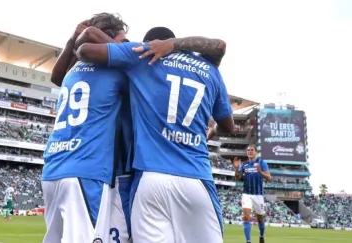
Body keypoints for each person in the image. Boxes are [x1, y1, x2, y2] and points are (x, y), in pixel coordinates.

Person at [76, 35, 234, 242]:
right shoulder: (210, 69)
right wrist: (209, 133)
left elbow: (85, 51)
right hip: (196, 178)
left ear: (152, 43)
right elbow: (229, 126)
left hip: (150, 178)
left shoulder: (142, 57)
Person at [42, 13, 129, 243]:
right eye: (121, 41)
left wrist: (73, 39)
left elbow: (55, 77)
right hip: (85, 172)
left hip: (53, 170)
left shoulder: (73, 69)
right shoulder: (116, 72)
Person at [233, 145, 272, 243]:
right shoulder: (244, 164)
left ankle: (261, 235)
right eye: (248, 150)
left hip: (258, 195)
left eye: (252, 150)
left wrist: (260, 172)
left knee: (260, 219)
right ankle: (248, 241)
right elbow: (237, 178)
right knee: (246, 217)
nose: (249, 151)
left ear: (256, 152)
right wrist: (237, 168)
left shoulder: (261, 162)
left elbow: (269, 177)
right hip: (246, 194)